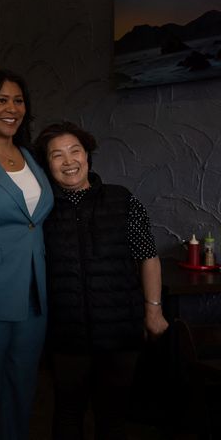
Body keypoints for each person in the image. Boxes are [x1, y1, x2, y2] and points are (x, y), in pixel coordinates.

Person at [33, 121, 169, 439]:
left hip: (120, 328)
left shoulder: (123, 200)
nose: (69, 162)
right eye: (57, 155)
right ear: (46, 164)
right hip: (67, 333)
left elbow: (147, 256)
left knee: (113, 416)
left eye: (75, 151)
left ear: (88, 155)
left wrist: (153, 309)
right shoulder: (41, 210)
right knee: (67, 413)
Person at [0, 68, 54, 440]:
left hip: (34, 293)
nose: (11, 108)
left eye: (18, 100)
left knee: (23, 386)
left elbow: (33, 220)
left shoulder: (30, 156)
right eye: (1, 100)